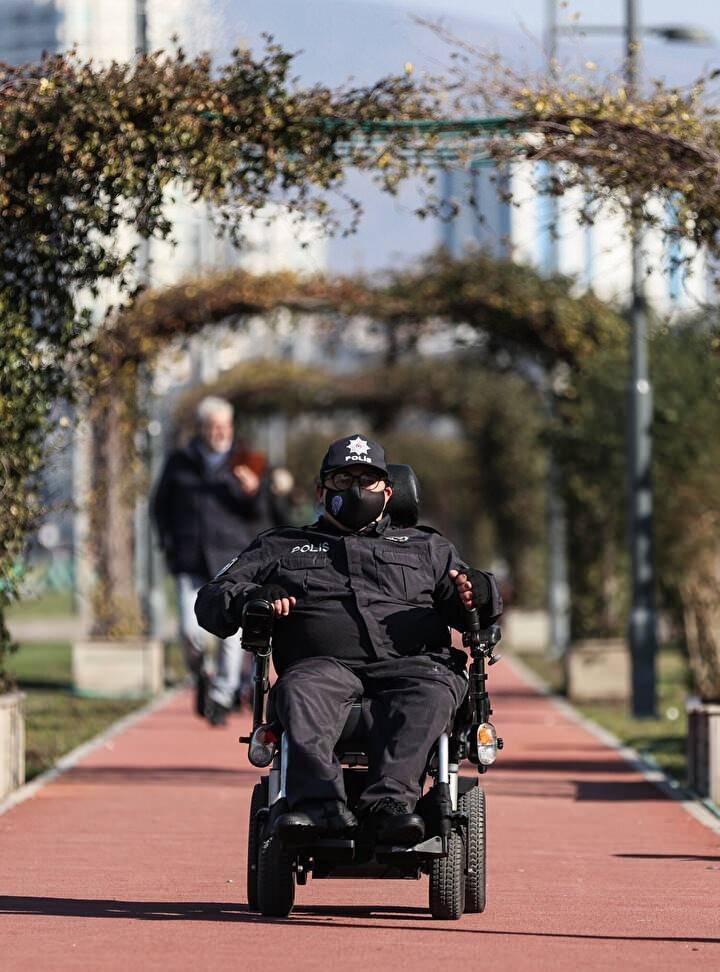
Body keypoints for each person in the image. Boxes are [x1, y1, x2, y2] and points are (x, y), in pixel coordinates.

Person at [195, 433, 502, 844]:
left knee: (435, 691)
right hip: (321, 668)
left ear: (388, 491)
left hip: (413, 668)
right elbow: (211, 600)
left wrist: (479, 592)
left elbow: (472, 602)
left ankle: (389, 805)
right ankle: (319, 804)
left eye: (368, 480)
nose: (356, 489)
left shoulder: (427, 547)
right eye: (343, 479)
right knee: (297, 690)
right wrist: (253, 597)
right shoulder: (281, 546)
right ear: (321, 491)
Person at [152, 396, 281, 725]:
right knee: (189, 632)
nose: (219, 433)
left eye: (225, 427)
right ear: (201, 429)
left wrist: (253, 492)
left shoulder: (247, 460)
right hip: (190, 558)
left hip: (230, 558)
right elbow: (160, 507)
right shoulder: (180, 462)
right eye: (213, 427)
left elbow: (263, 514)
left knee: (228, 634)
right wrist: (169, 544)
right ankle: (201, 675)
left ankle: (223, 694)